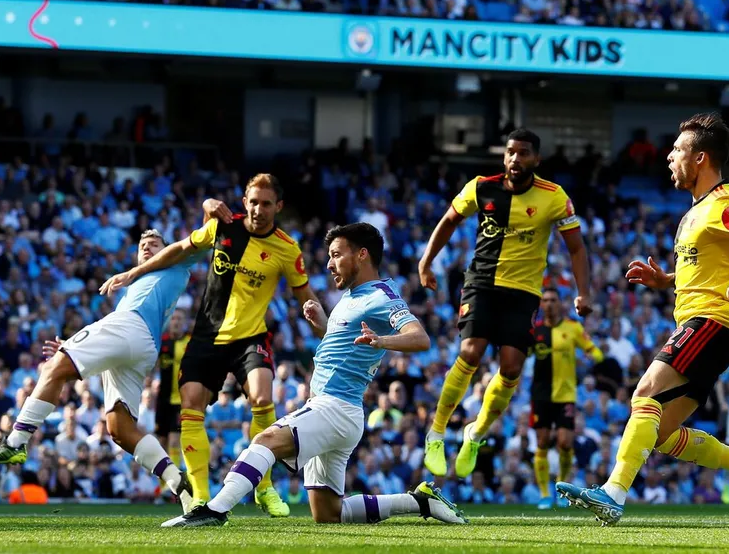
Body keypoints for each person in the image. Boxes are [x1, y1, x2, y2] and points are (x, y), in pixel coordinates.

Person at [162, 223, 465, 528]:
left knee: (266, 440)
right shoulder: (352, 296)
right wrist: (325, 326)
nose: (330, 264)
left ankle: (214, 510)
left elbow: (420, 337)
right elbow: (346, 346)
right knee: (329, 513)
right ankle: (419, 502)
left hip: (334, 407)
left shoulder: (381, 296)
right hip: (339, 411)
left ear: (362, 255)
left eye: (336, 255)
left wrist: (382, 341)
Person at [557, 113, 729, 526]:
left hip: (712, 321)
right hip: (705, 326)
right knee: (659, 434)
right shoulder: (696, 210)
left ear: (700, 158)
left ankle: (613, 494)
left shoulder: (727, 205)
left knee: (645, 393)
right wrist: (667, 280)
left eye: (677, 150)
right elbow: (709, 268)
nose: (670, 157)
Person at [105, 174, 321, 517]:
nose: (259, 210)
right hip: (207, 335)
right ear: (245, 202)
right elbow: (180, 249)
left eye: (266, 204)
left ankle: (264, 486)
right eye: (253, 202)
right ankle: (200, 498)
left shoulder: (286, 248)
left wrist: (329, 330)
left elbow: (304, 294)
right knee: (191, 405)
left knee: (262, 398)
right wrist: (134, 273)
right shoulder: (223, 227)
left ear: (278, 206)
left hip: (250, 337)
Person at [0, 224, 222, 511]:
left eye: (155, 244)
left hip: (131, 328)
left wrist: (209, 208)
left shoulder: (176, 263)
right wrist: (71, 347)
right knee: (120, 429)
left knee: (54, 368)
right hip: (141, 347)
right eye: (143, 244)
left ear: (166, 249)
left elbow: (201, 238)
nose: (147, 246)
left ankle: (16, 440)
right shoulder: (135, 285)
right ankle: (179, 484)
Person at [420, 129, 592, 478]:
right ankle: (436, 433)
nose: (515, 159)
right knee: (470, 352)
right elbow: (449, 220)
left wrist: (583, 292)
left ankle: (475, 433)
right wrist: (426, 261)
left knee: (512, 368)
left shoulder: (554, 197)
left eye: (523, 153)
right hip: (482, 283)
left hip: (524, 292)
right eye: (511, 152)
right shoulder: (481, 187)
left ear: (536, 159)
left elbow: (576, 248)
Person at [530, 287, 604, 509]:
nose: (549, 304)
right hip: (540, 394)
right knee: (542, 442)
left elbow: (594, 352)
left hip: (566, 395)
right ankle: (545, 495)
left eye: (553, 300)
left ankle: (561, 488)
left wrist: (591, 357)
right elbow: (523, 353)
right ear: (541, 305)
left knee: (564, 443)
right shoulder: (535, 330)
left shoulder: (573, 328)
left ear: (560, 304)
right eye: (545, 300)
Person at [156, 310, 189, 473]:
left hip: (180, 400)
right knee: (161, 441)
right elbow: (153, 366)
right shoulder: (161, 342)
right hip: (162, 399)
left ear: (184, 323)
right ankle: (163, 479)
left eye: (179, 319)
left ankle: (175, 478)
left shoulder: (190, 342)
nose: (176, 322)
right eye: (173, 319)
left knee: (174, 441)